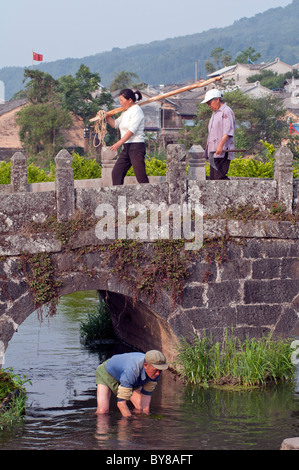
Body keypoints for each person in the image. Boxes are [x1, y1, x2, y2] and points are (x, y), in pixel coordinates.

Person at [95, 350, 168, 417]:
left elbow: (146, 395)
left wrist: (146, 416)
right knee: (103, 412)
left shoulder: (156, 372)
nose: (158, 373)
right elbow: (121, 403)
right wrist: (129, 420)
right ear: (146, 365)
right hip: (107, 373)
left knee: (141, 408)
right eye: (155, 370)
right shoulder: (132, 370)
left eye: (160, 370)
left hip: (128, 377)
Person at [105, 88, 149, 185]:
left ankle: (152, 198)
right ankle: (119, 198)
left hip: (136, 146)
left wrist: (119, 143)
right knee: (116, 173)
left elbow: (131, 131)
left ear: (130, 100)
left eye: (122, 100)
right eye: (120, 100)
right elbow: (115, 124)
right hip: (126, 147)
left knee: (140, 176)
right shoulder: (125, 112)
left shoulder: (137, 110)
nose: (120, 103)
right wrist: (106, 116)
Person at [202, 89, 235, 180]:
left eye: (210, 103)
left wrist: (220, 146)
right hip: (214, 151)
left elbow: (227, 132)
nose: (209, 106)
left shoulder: (226, 111)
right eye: (207, 104)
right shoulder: (215, 113)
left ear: (217, 99)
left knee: (219, 177)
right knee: (213, 178)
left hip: (223, 150)